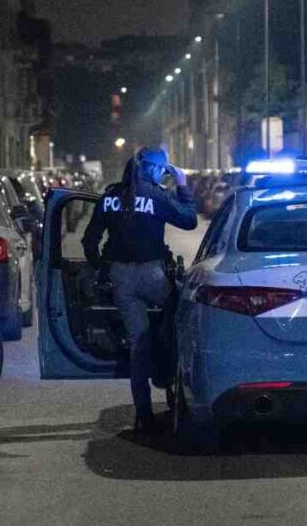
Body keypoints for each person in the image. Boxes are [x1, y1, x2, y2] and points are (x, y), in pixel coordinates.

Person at [81, 147, 198, 433]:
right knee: (181, 319)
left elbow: (89, 241)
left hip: (121, 278)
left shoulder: (110, 196)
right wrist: (182, 186)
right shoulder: (156, 196)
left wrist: (102, 267)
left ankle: (143, 414)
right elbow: (190, 220)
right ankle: (170, 376)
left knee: (138, 346)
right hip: (154, 275)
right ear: (157, 170)